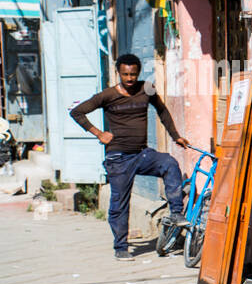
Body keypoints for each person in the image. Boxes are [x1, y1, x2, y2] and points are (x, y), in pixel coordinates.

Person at [70, 53, 190, 260]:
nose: (129, 79)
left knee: (169, 163)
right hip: (118, 157)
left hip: (141, 154)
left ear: (139, 73)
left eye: (133, 74)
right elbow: (77, 112)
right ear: (118, 73)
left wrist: (175, 136)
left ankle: (176, 213)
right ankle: (121, 247)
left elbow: (162, 111)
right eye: (125, 74)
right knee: (119, 203)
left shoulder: (147, 88)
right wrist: (99, 133)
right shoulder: (107, 96)